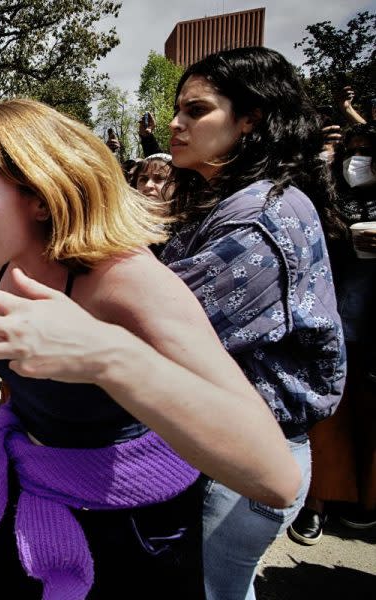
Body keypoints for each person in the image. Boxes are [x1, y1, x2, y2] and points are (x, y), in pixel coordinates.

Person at [0, 98, 301, 599]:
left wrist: (106, 354)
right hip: (32, 493)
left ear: (40, 196)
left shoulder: (127, 278)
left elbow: (277, 476)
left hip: (131, 527)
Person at [159, 47, 346, 599]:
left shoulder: (260, 221)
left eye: (196, 111)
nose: (175, 123)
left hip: (243, 459)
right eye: (178, 109)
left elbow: (164, 329)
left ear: (252, 118)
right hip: (227, 445)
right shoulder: (232, 201)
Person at [289, 123, 376, 542]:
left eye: (367, 151)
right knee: (328, 417)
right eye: (351, 150)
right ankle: (318, 503)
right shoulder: (326, 194)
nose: (358, 160)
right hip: (334, 321)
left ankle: (367, 503)